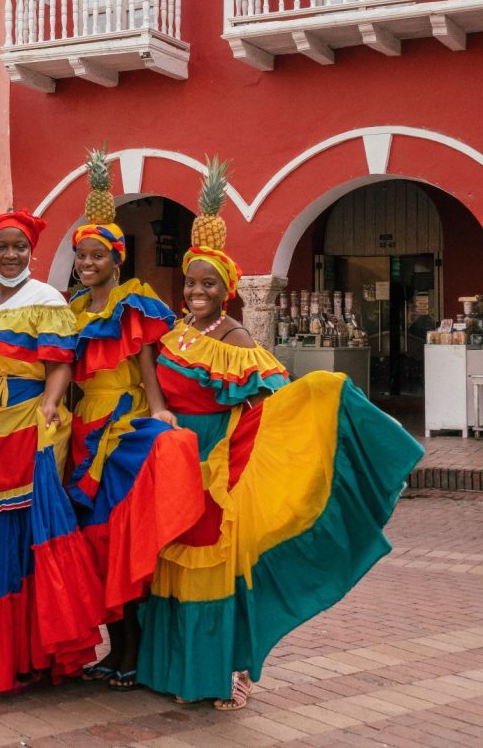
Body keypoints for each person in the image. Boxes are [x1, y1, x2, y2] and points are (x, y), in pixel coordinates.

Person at [131, 241, 424, 711]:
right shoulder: (174, 331)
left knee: (214, 562)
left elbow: (268, 401)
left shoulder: (236, 339)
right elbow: (146, 358)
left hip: (216, 462)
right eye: (191, 282)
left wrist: (309, 403)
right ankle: (178, 667)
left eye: (209, 284)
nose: (197, 291)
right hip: (174, 459)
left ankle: (233, 669)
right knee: (176, 556)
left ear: (226, 290)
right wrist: (159, 409)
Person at [0, 209, 106, 695]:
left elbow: (60, 362)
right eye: (1, 246)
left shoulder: (47, 300)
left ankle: (31, 654)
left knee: (22, 531)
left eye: (18, 247)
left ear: (31, 253)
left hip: (27, 425)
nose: (10, 255)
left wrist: (52, 405)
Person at [67, 222, 202, 691]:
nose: (87, 264)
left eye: (97, 257)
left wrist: (160, 410)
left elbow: (146, 365)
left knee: (120, 536)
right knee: (93, 544)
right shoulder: (75, 310)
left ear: (116, 260)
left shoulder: (133, 302)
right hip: (85, 426)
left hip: (124, 425)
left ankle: (134, 649)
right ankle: (114, 647)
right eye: (81, 256)